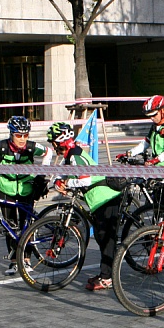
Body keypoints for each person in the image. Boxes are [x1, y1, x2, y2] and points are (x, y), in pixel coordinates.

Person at [47, 122, 123, 291]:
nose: (52, 146)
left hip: (105, 198)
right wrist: (58, 181)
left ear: (59, 141)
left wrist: (68, 183)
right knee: (102, 237)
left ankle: (107, 278)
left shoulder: (75, 155)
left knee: (106, 239)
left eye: (53, 142)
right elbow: (62, 172)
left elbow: (86, 179)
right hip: (98, 200)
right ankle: (106, 272)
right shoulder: (70, 154)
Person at [0, 116, 53, 275]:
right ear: (11, 134)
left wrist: (42, 173)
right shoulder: (1, 146)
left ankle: (26, 259)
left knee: (26, 226)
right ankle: (14, 261)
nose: (22, 139)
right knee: (10, 225)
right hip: (6, 189)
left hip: (26, 188)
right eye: (18, 135)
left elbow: (48, 152)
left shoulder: (32, 146)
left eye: (25, 135)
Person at [128, 95, 164, 166]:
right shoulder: (154, 126)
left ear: (163, 111)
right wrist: (130, 153)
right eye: (149, 116)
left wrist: (157, 159)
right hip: (156, 165)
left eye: (154, 115)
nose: (152, 118)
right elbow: (145, 143)